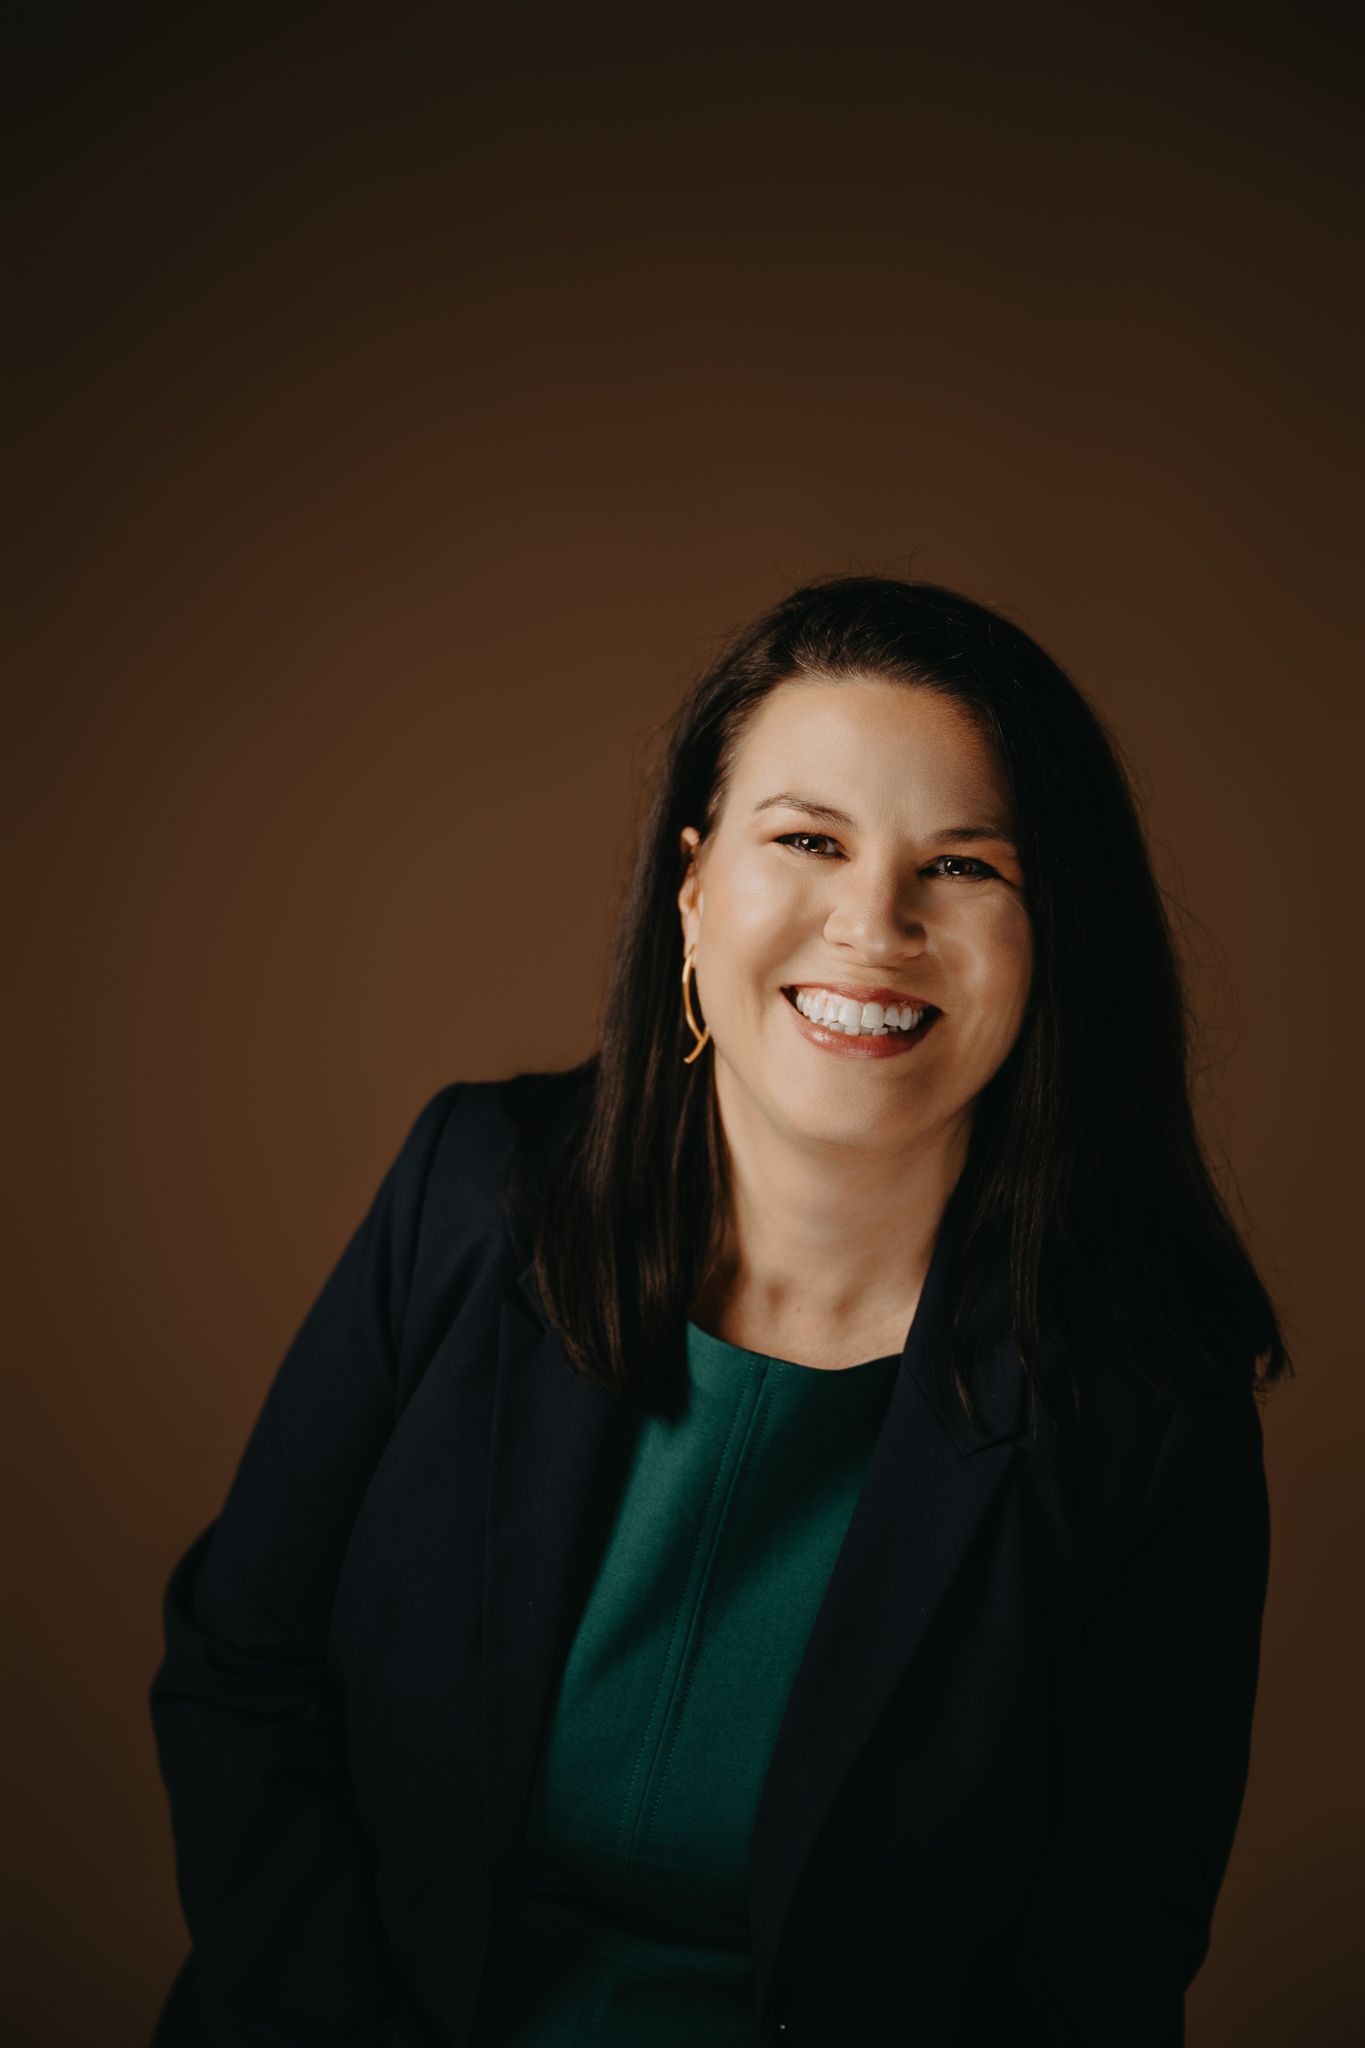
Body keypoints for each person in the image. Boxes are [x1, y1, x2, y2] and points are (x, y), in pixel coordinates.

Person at [148, 573, 1288, 2047]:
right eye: (806, 839)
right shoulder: (472, 1190)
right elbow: (241, 1676)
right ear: (692, 887)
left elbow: (1097, 1972)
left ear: (1050, 940)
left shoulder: (1148, 1406)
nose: (870, 923)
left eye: (964, 867)